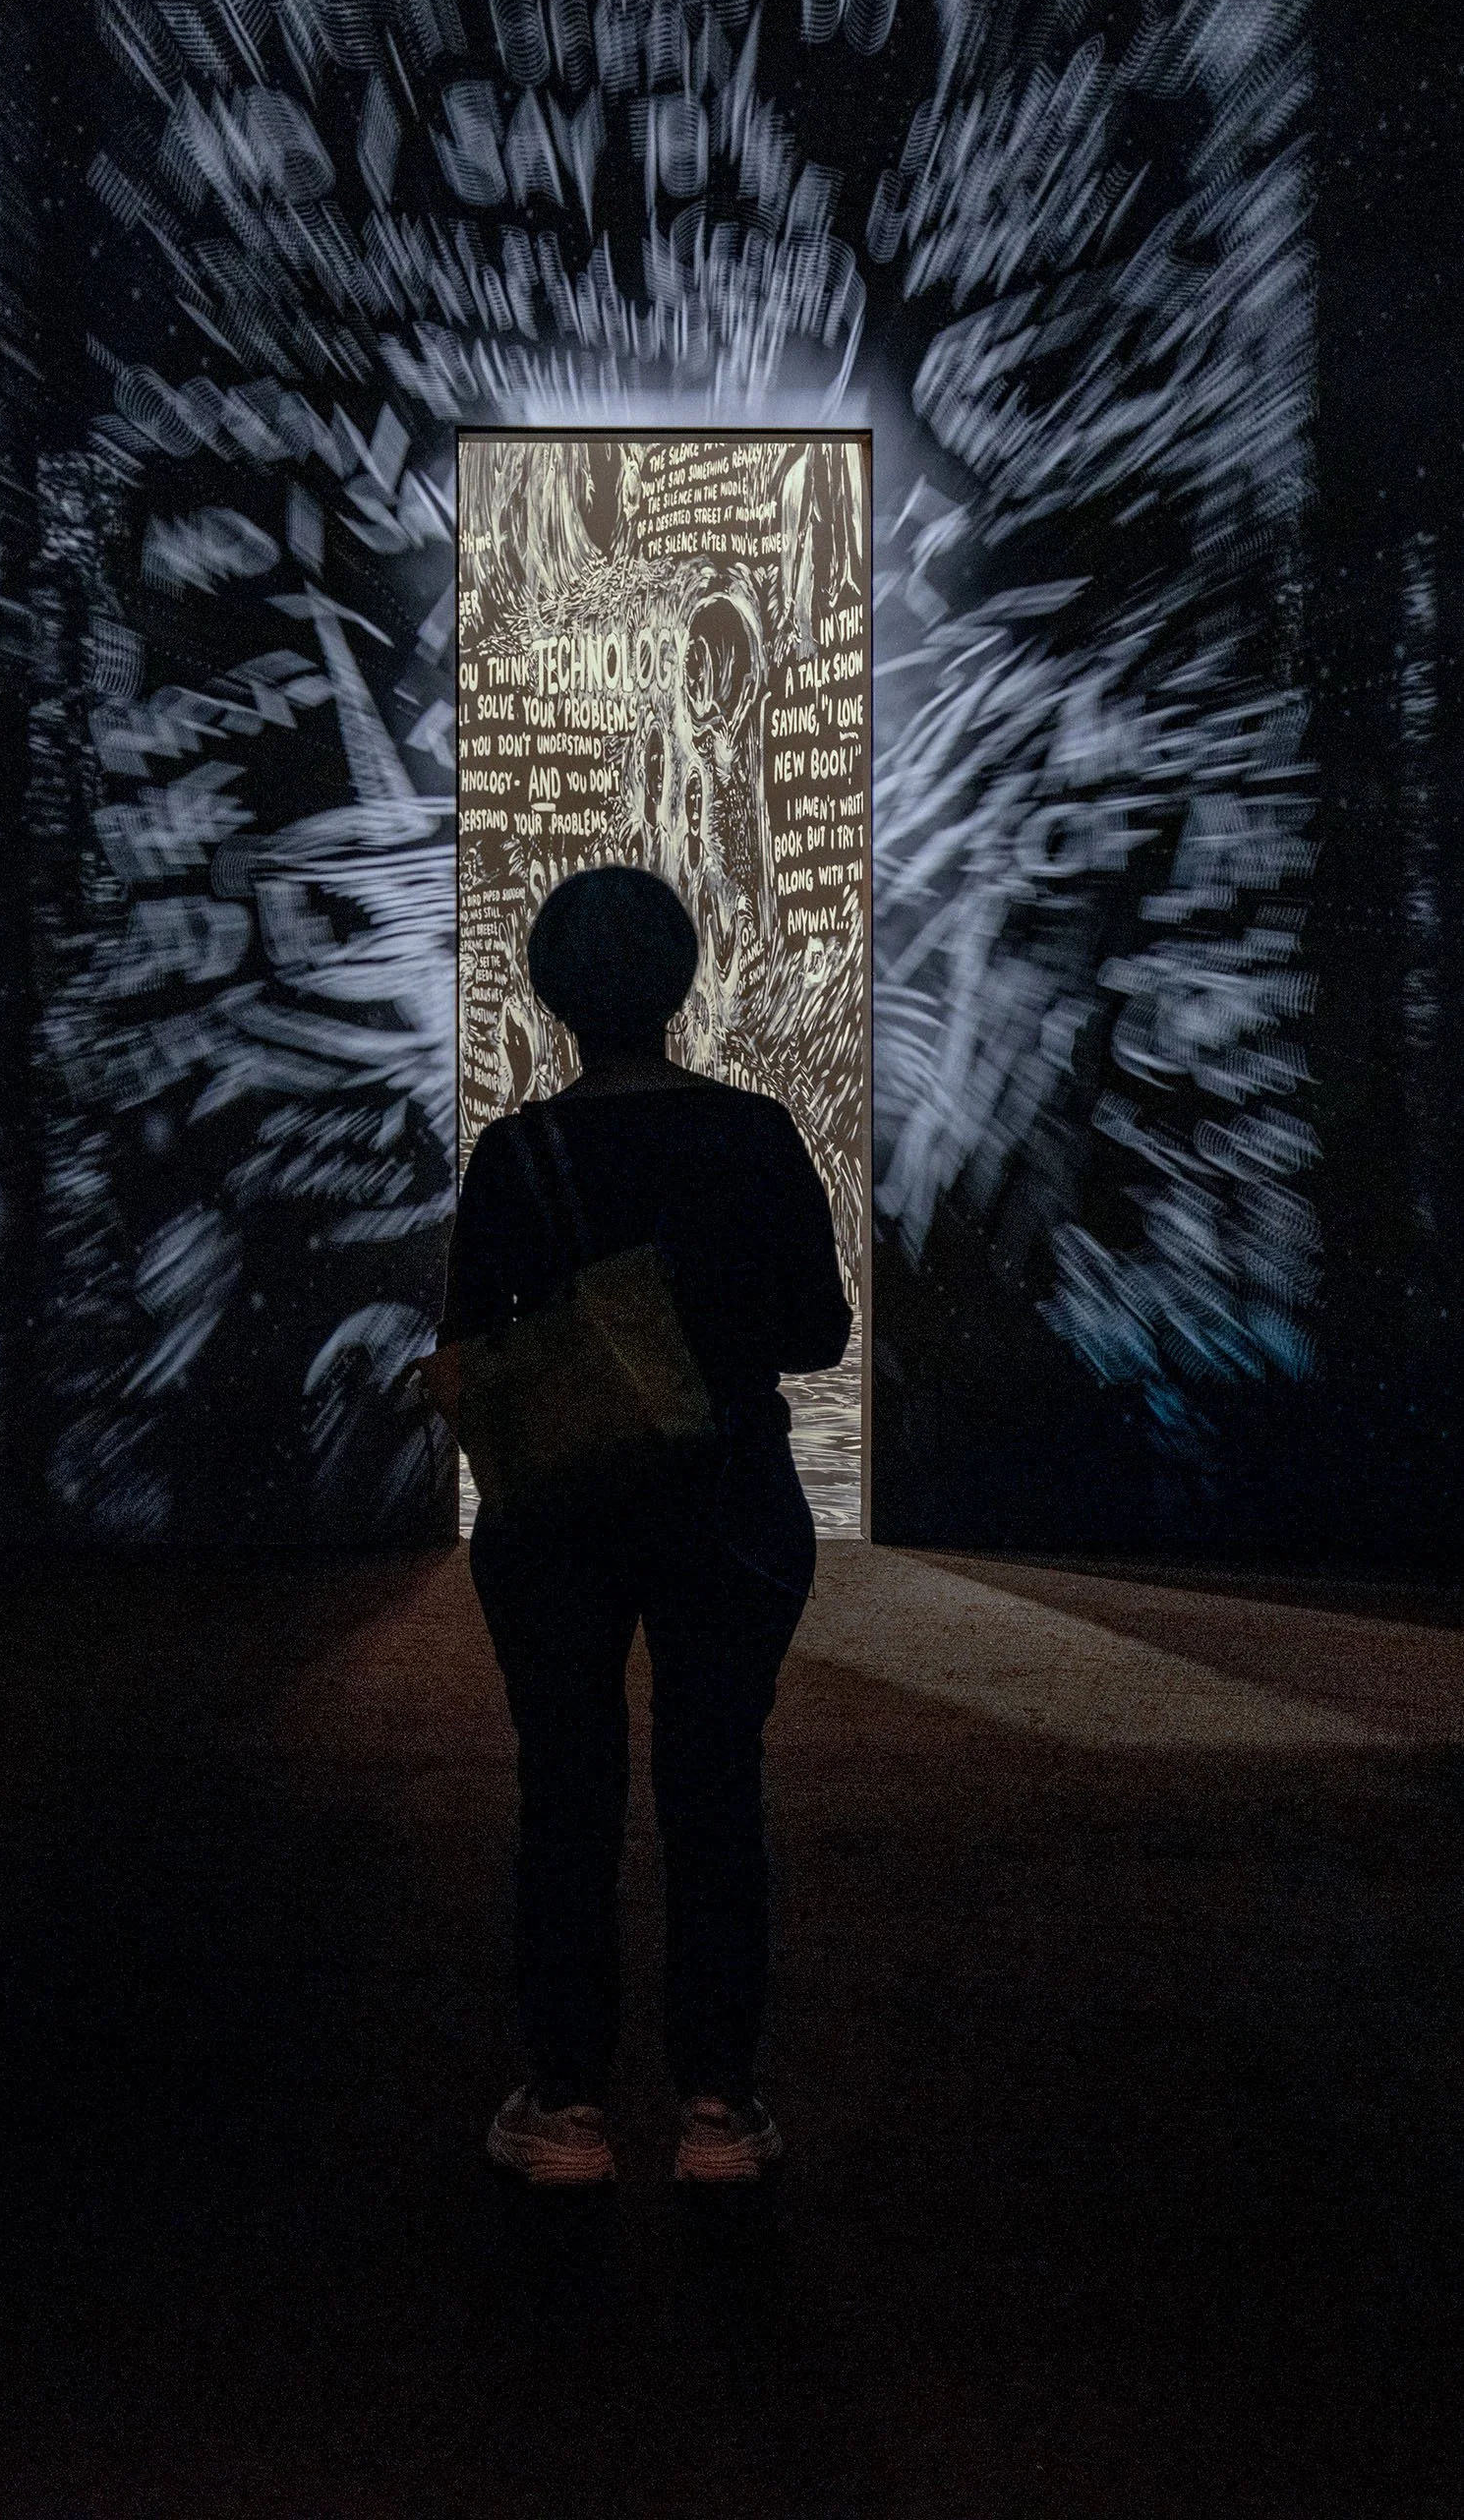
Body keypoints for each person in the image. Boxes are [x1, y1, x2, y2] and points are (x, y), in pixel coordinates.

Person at [439, 865, 850, 2188]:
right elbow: (815, 1332)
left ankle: (563, 2104)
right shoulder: (755, 1133)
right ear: (683, 982)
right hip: (726, 1498)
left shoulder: (518, 1154)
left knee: (564, 1791)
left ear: (552, 997)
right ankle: (716, 2108)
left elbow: (468, 1348)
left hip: (558, 1511)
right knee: (713, 1789)